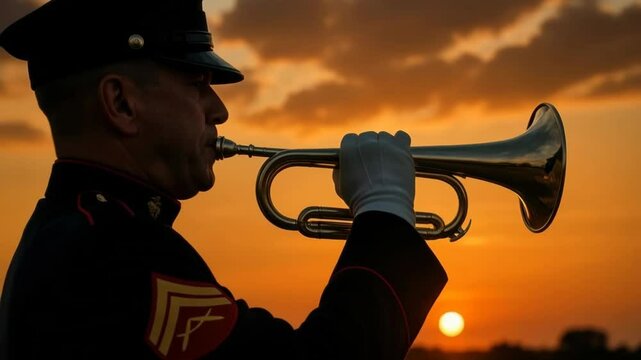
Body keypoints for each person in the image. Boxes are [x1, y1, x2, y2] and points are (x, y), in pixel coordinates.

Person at [0, 0, 447, 359]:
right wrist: (385, 214)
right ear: (121, 103)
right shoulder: (114, 251)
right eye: (197, 84)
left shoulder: (68, 232)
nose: (220, 110)